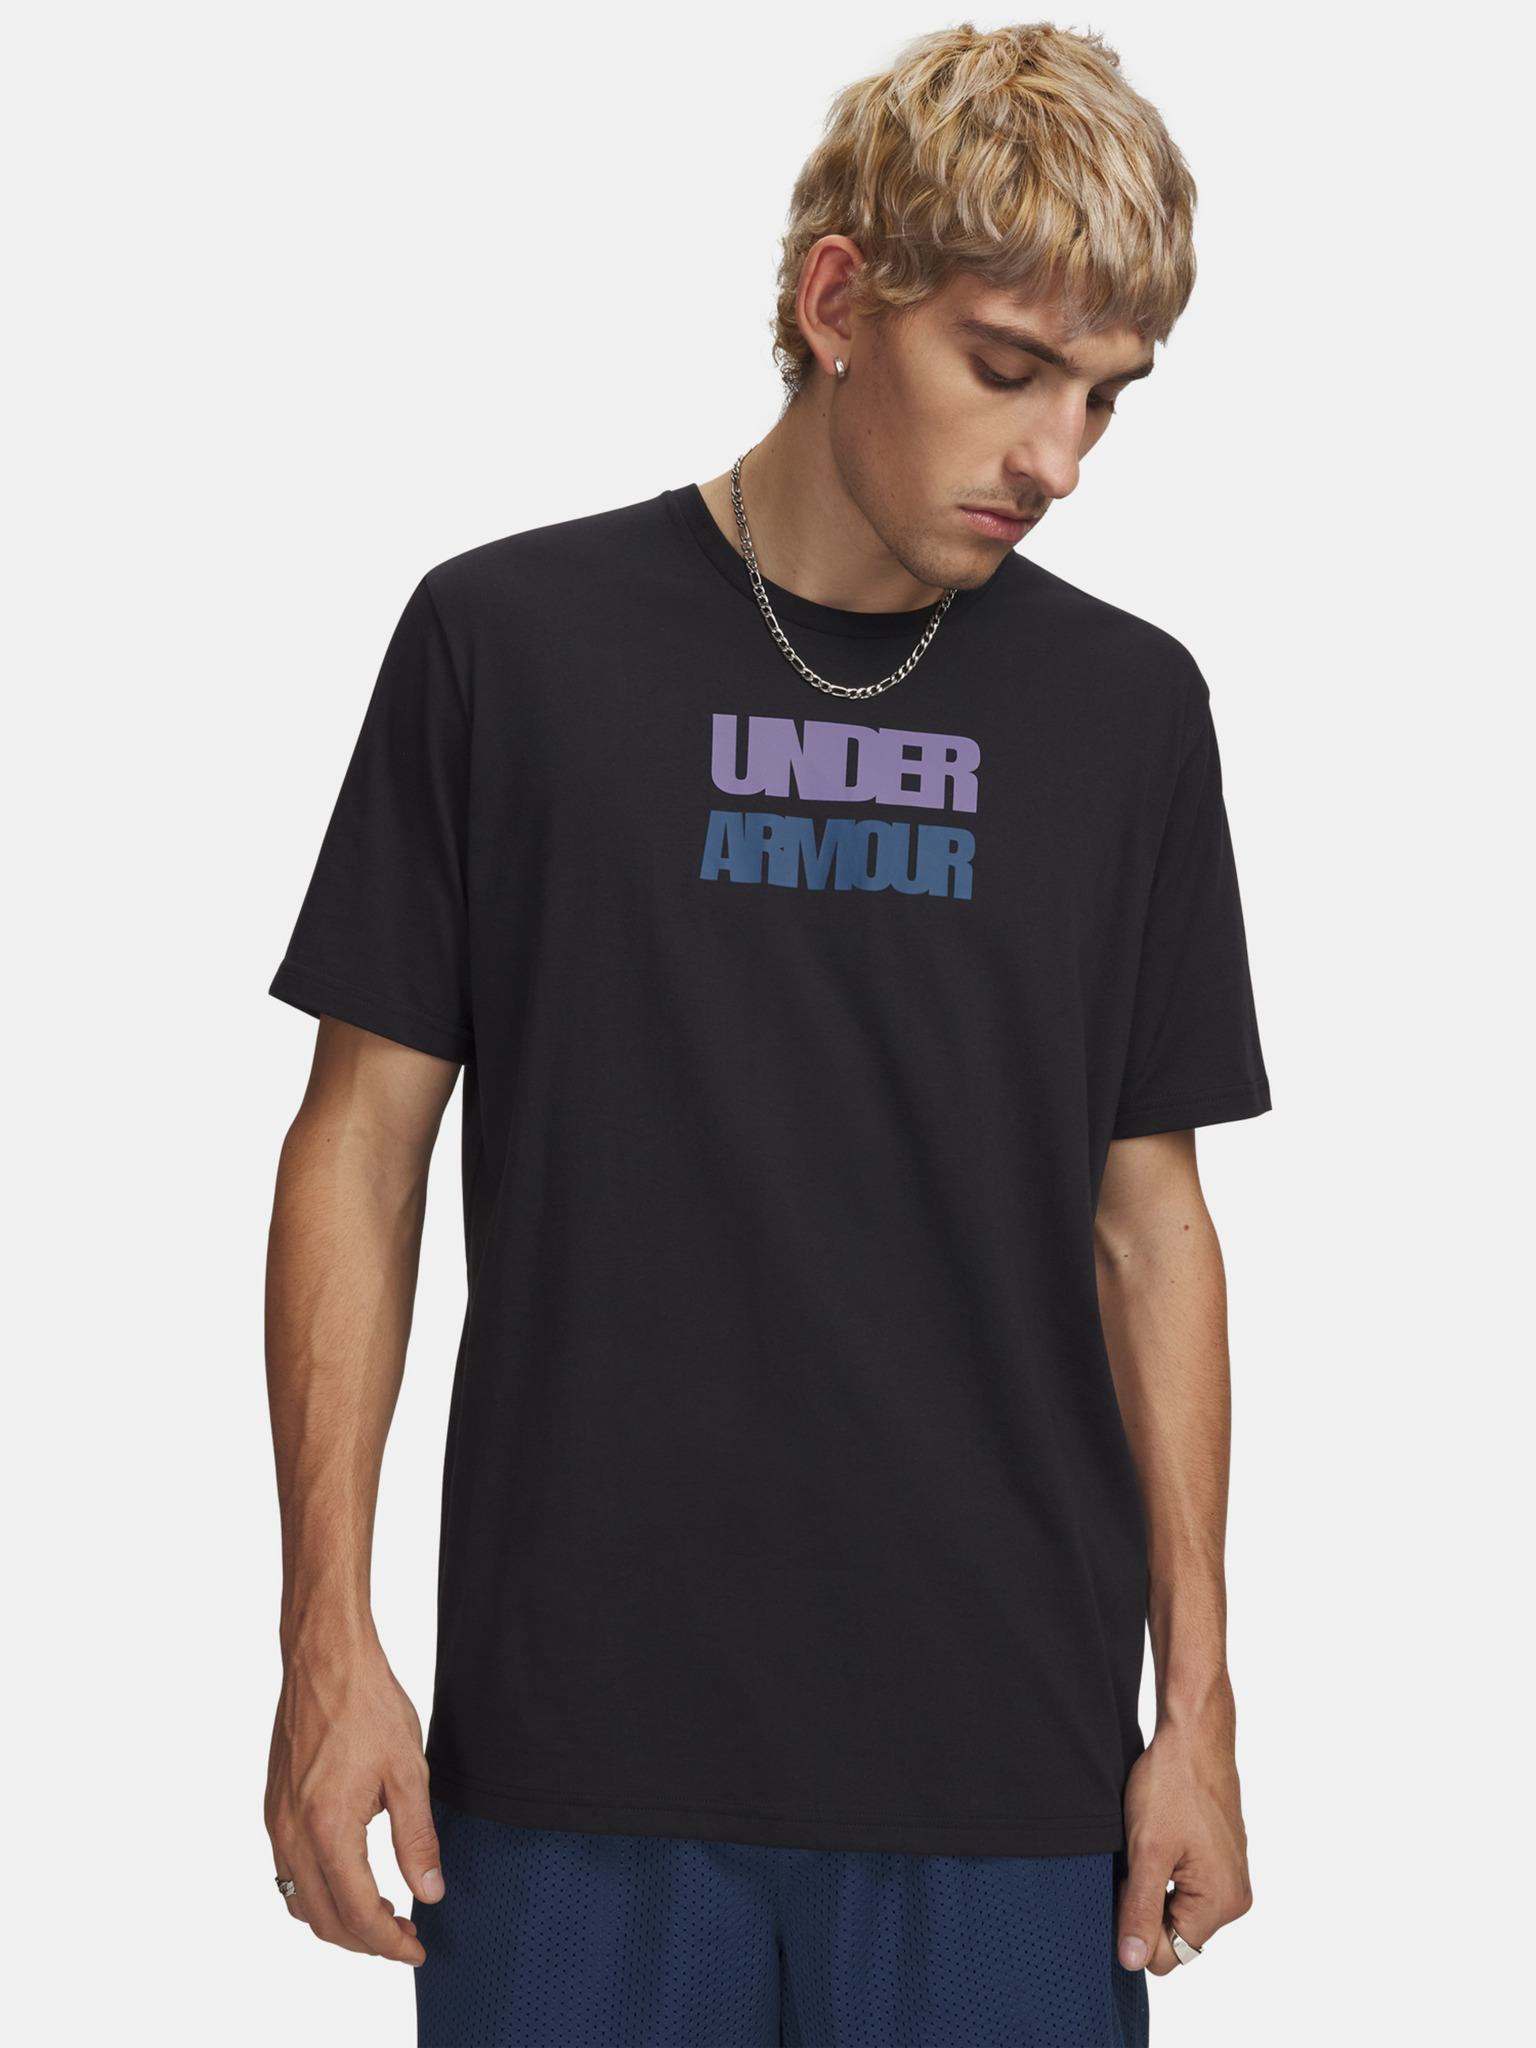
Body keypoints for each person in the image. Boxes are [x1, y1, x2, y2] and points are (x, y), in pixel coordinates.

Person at [263, 22, 1267, 2047]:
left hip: (1007, 1778)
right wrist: (324, 1636)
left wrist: (1203, 1706)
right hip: (570, 1762)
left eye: (1104, 397)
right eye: (1008, 367)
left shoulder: (1129, 713)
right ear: (836, 302)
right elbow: (361, 1143)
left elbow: (1147, 1220)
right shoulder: (510, 644)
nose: (1059, 461)